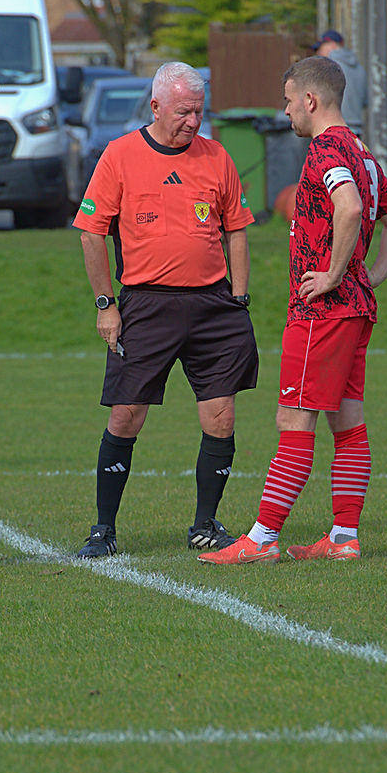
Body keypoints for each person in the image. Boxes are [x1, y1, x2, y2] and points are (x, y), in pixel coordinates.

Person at [200, 56, 387, 566]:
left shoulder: (327, 149)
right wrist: (367, 277)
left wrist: (338, 274)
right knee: (348, 421)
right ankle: (343, 538)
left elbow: (351, 208)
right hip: (355, 310)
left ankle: (262, 539)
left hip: (322, 312)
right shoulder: (362, 153)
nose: (287, 110)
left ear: (311, 101)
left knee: (294, 419)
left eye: (290, 100)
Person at [73, 61, 259, 559]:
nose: (192, 121)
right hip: (147, 304)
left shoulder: (217, 156)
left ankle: (204, 524)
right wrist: (105, 305)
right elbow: (91, 231)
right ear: (155, 107)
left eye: (198, 112)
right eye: (182, 112)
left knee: (220, 415)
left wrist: (238, 299)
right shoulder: (119, 155)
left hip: (214, 306)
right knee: (126, 415)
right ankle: (103, 529)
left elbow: (236, 229)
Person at [313, 30, 368, 138]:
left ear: (332, 45)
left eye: (320, 48)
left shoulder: (329, 66)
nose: (318, 53)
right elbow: (365, 100)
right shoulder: (359, 67)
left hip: (335, 130)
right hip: (356, 131)